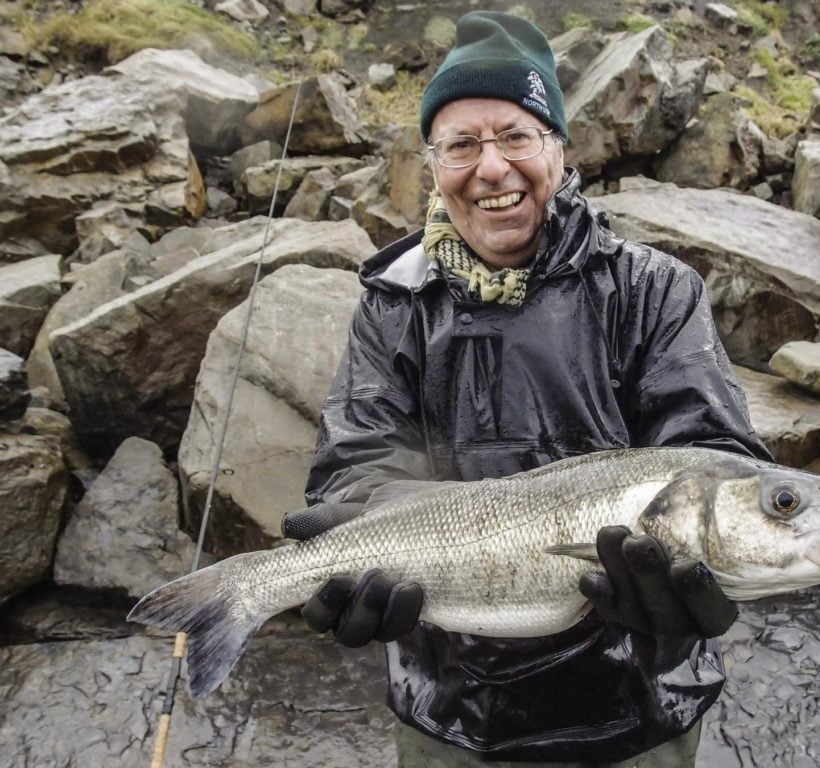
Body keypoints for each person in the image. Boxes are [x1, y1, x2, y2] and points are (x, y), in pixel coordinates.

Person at [281, 10, 771, 768]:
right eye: (461, 144)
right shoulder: (392, 304)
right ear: (433, 165)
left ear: (558, 148)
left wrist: (691, 572)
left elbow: (711, 455)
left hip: (641, 706)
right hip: (447, 708)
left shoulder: (655, 289)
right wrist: (356, 548)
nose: (491, 167)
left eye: (515, 136)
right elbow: (360, 463)